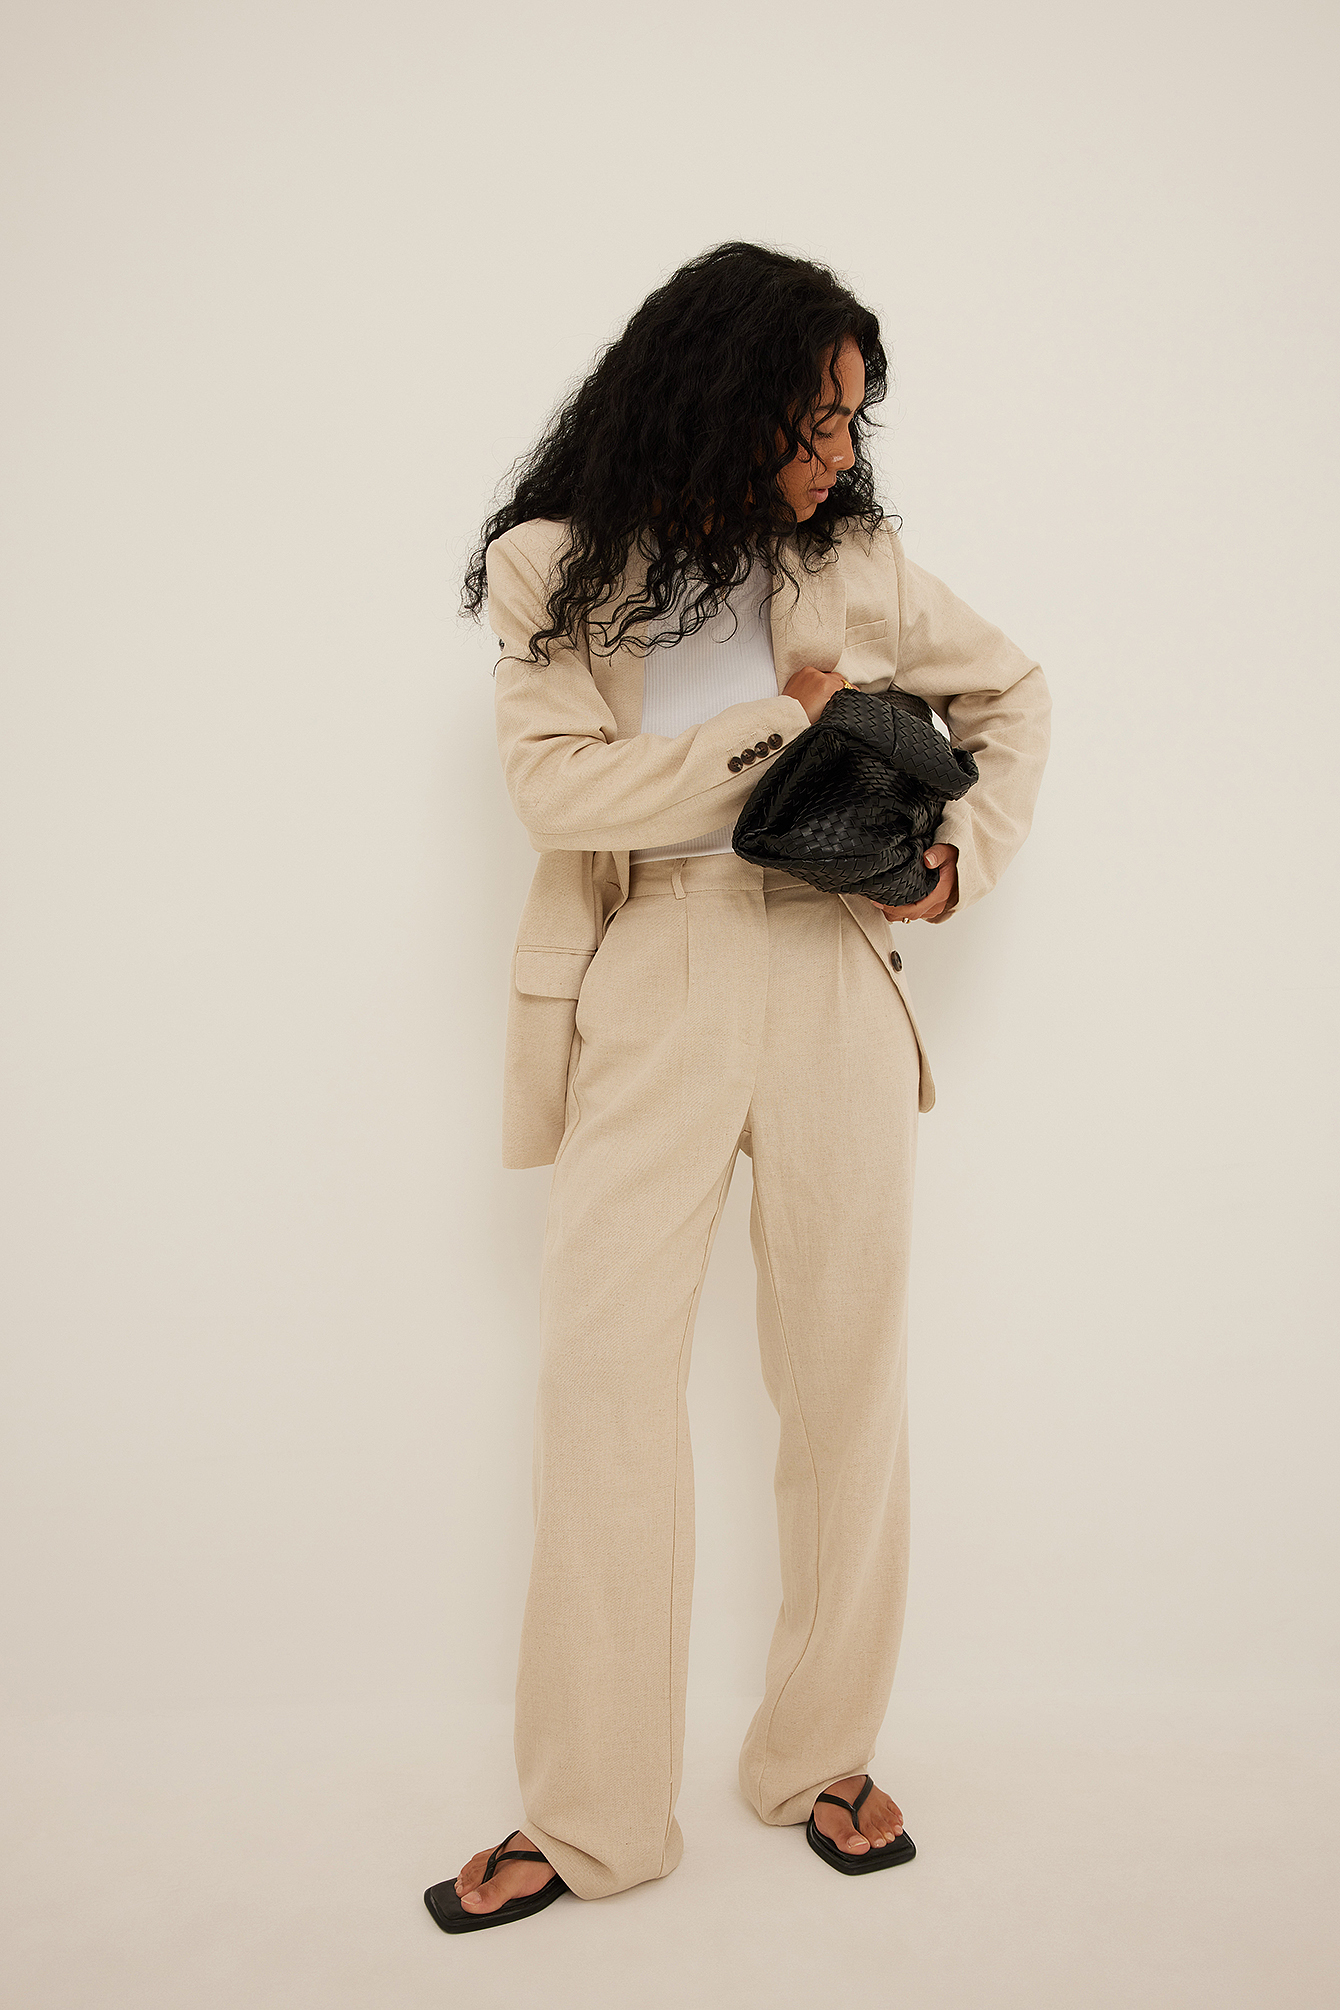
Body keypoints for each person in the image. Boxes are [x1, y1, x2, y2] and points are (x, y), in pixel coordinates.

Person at [426, 242, 1051, 1933]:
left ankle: (822, 1756)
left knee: (845, 1380)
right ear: (723, 391)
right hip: (657, 966)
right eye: (818, 415)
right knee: (602, 1384)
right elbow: (561, 793)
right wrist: (775, 727)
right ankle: (591, 1816)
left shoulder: (852, 559)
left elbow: (1015, 690)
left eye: (857, 419)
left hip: (832, 960)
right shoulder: (556, 567)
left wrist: (955, 864)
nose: (844, 449)